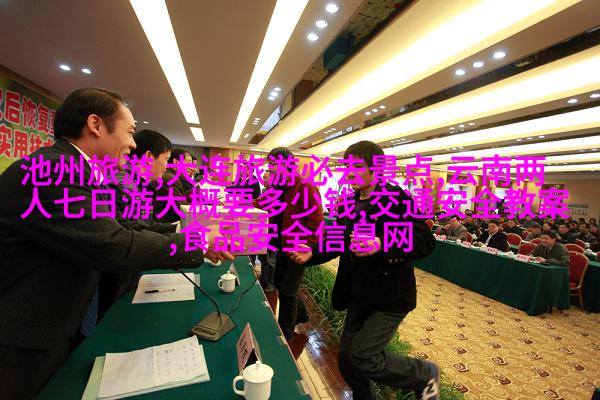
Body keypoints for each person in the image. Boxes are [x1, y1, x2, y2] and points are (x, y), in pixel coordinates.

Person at [0, 88, 234, 398]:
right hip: (22, 343)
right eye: (130, 131)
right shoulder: (52, 171)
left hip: (54, 327)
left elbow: (122, 225)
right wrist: (199, 242)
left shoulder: (77, 170)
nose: (133, 144)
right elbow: (111, 244)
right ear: (95, 125)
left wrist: (188, 235)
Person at [289, 141, 439, 400]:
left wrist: (381, 242)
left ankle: (423, 374)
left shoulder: (396, 199)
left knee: (361, 356)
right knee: (348, 363)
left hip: (390, 297)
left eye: (356, 167)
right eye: (347, 167)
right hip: (359, 295)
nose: (349, 173)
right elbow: (337, 239)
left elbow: (425, 241)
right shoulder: (350, 202)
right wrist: (312, 251)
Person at [261, 147, 324, 358]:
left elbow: (317, 223)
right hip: (281, 245)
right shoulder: (278, 186)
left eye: (274, 164)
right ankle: (301, 314)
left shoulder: (305, 187)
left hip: (299, 249)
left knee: (287, 291)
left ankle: (285, 335)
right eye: (269, 165)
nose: (270, 169)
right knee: (280, 284)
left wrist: (309, 249)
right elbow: (259, 204)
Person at [154, 148, 195, 223]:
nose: (191, 167)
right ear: (176, 161)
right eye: (188, 163)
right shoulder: (170, 179)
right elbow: (182, 208)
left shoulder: (174, 177)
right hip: (166, 224)